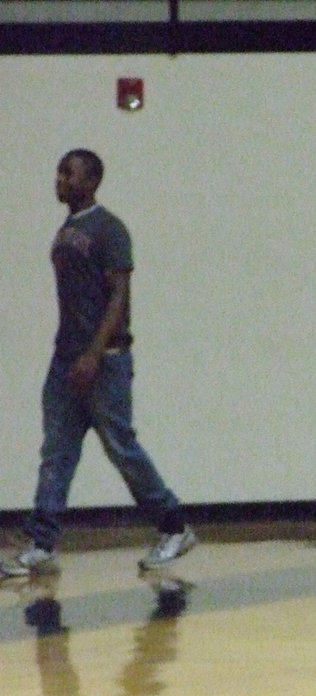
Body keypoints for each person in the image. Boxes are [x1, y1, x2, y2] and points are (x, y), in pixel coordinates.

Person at [1, 149, 197, 578]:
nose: (59, 180)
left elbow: (119, 296)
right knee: (57, 452)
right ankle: (41, 542)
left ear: (90, 181)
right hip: (66, 362)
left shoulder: (110, 230)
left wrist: (93, 353)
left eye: (68, 174)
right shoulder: (66, 230)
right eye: (58, 173)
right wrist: (72, 354)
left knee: (122, 448)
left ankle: (173, 526)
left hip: (104, 363)